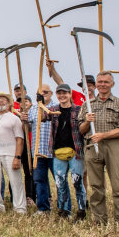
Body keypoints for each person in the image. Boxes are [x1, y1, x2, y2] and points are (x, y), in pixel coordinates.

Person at [78, 71, 119, 224]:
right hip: (92, 145)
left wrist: (103, 135)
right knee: (96, 186)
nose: (102, 85)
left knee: (118, 185)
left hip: (113, 146)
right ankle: (99, 220)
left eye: (106, 82)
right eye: (100, 82)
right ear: (95, 85)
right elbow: (81, 130)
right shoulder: (87, 104)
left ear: (112, 84)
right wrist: (87, 121)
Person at [48, 84, 86, 220]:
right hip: (58, 152)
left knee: (77, 182)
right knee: (60, 183)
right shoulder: (52, 110)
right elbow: (41, 118)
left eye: (64, 93)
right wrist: (40, 102)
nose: (62, 96)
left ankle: (82, 210)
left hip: (76, 152)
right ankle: (64, 210)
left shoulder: (79, 110)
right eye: (59, 93)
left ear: (70, 94)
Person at [0, 92, 26, 213]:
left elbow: (20, 139)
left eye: (4, 100)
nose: (1, 102)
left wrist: (17, 157)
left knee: (15, 180)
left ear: (8, 103)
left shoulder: (14, 118)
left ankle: (19, 207)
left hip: (10, 152)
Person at [28, 84, 56, 215]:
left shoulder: (56, 107)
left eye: (45, 92)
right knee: (40, 180)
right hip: (38, 150)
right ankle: (43, 208)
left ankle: (63, 207)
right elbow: (28, 128)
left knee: (59, 180)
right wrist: (24, 121)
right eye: (40, 93)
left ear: (51, 93)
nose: (42, 95)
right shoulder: (33, 109)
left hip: (54, 151)